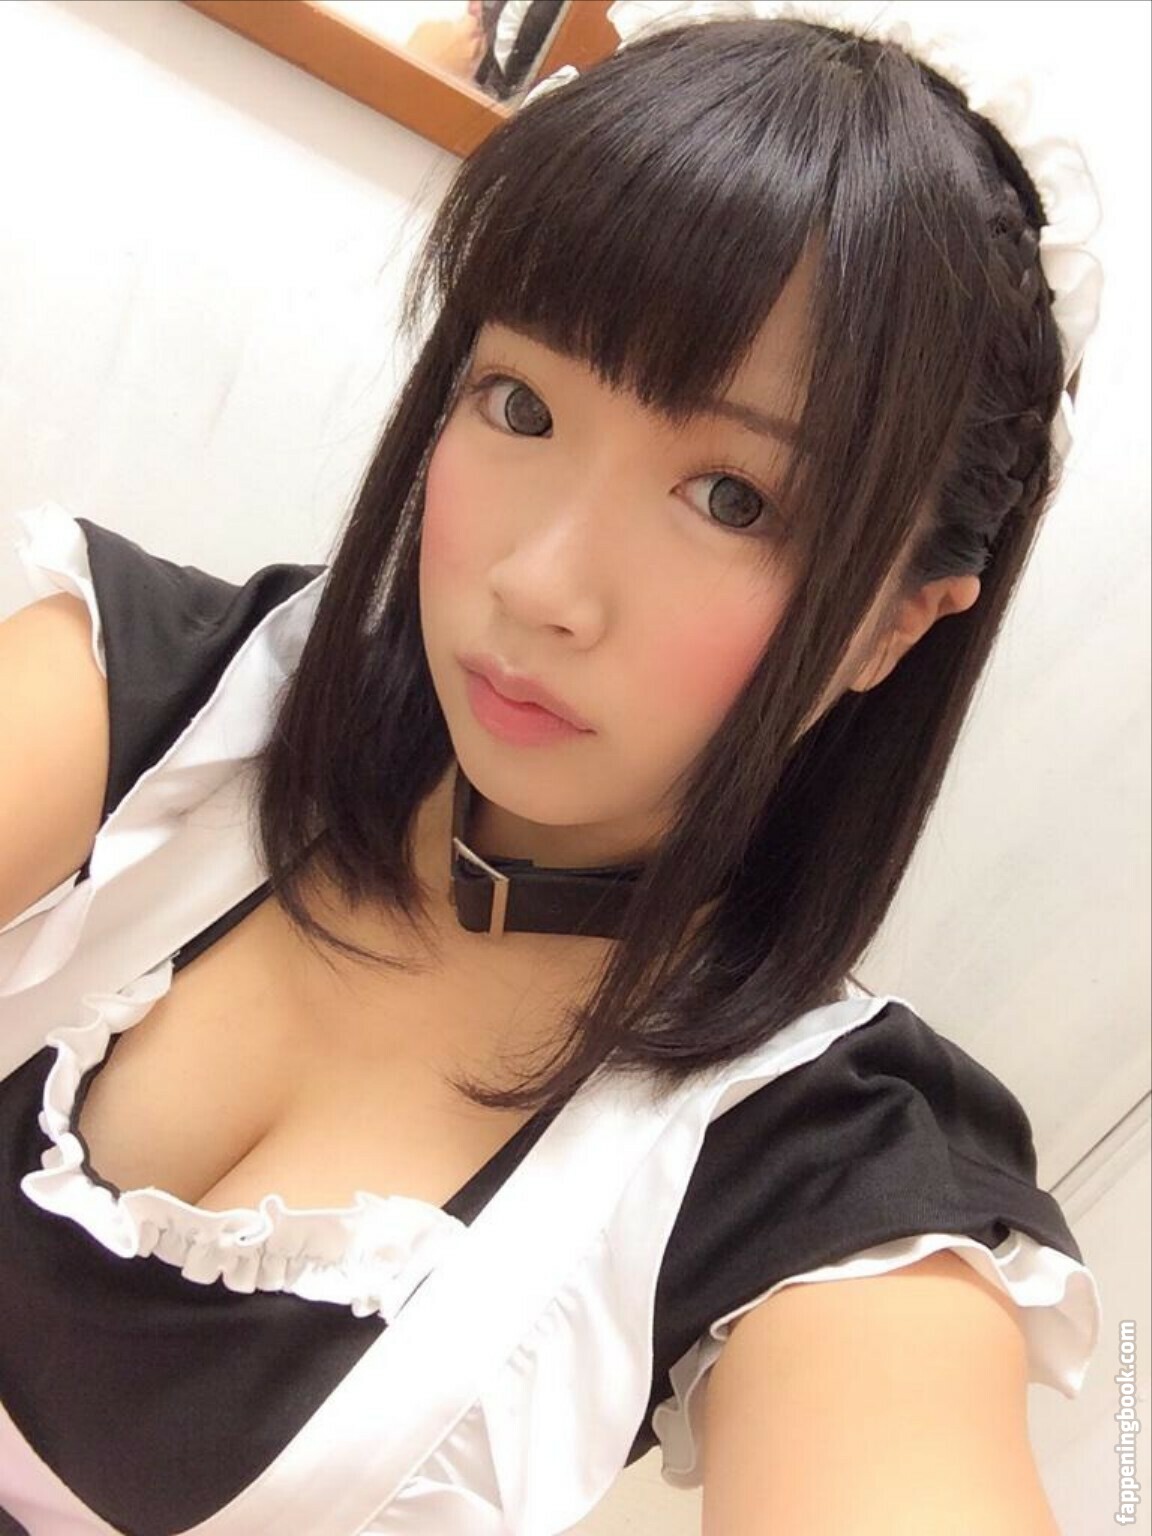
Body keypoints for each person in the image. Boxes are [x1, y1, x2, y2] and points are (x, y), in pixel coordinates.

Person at [0, 2, 1106, 1531]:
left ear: (897, 623)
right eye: (518, 404)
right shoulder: (157, 701)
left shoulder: (811, 1170)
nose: (539, 584)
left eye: (732, 497)